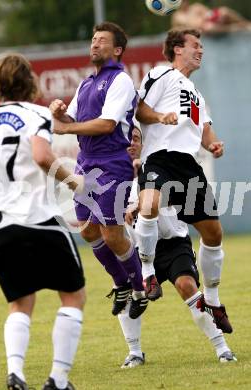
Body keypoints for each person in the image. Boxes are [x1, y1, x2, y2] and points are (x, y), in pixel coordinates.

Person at [0, 53, 86, 390]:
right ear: (30, 81)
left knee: (20, 302)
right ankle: (57, 379)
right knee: (73, 296)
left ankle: (15, 374)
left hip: (1, 223)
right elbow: (41, 155)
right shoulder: (36, 114)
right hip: (39, 218)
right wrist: (74, 183)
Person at [134, 28, 233, 334]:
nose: (200, 50)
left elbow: (205, 131)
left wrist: (214, 144)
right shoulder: (160, 74)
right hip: (159, 157)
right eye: (195, 45)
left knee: (213, 233)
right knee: (149, 203)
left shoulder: (197, 94)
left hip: (188, 164)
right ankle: (148, 271)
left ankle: (213, 299)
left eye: (201, 46)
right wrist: (161, 117)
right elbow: (139, 109)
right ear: (177, 49)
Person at [49, 22, 148, 320]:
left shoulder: (121, 81)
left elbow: (107, 125)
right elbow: (73, 118)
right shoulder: (86, 83)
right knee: (88, 229)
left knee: (112, 233)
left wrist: (66, 126)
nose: (94, 44)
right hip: (86, 161)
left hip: (112, 162)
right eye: (93, 39)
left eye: (101, 40)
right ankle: (121, 284)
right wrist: (59, 113)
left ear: (117, 50)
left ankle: (140, 288)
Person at [118, 182, 237, 368]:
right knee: (125, 293)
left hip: (173, 244)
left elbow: (177, 195)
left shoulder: (160, 163)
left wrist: (139, 205)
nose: (130, 150)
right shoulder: (118, 173)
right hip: (138, 249)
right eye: (126, 149)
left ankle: (223, 349)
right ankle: (134, 353)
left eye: (134, 149)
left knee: (187, 286)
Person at [172, 0, 251, 34]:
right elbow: (174, 30)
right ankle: (237, 28)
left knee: (224, 11)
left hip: (208, 21)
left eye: (184, 1)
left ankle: (245, 23)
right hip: (201, 31)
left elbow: (209, 13)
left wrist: (214, 17)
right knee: (209, 27)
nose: (184, 3)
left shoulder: (196, 6)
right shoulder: (177, 16)